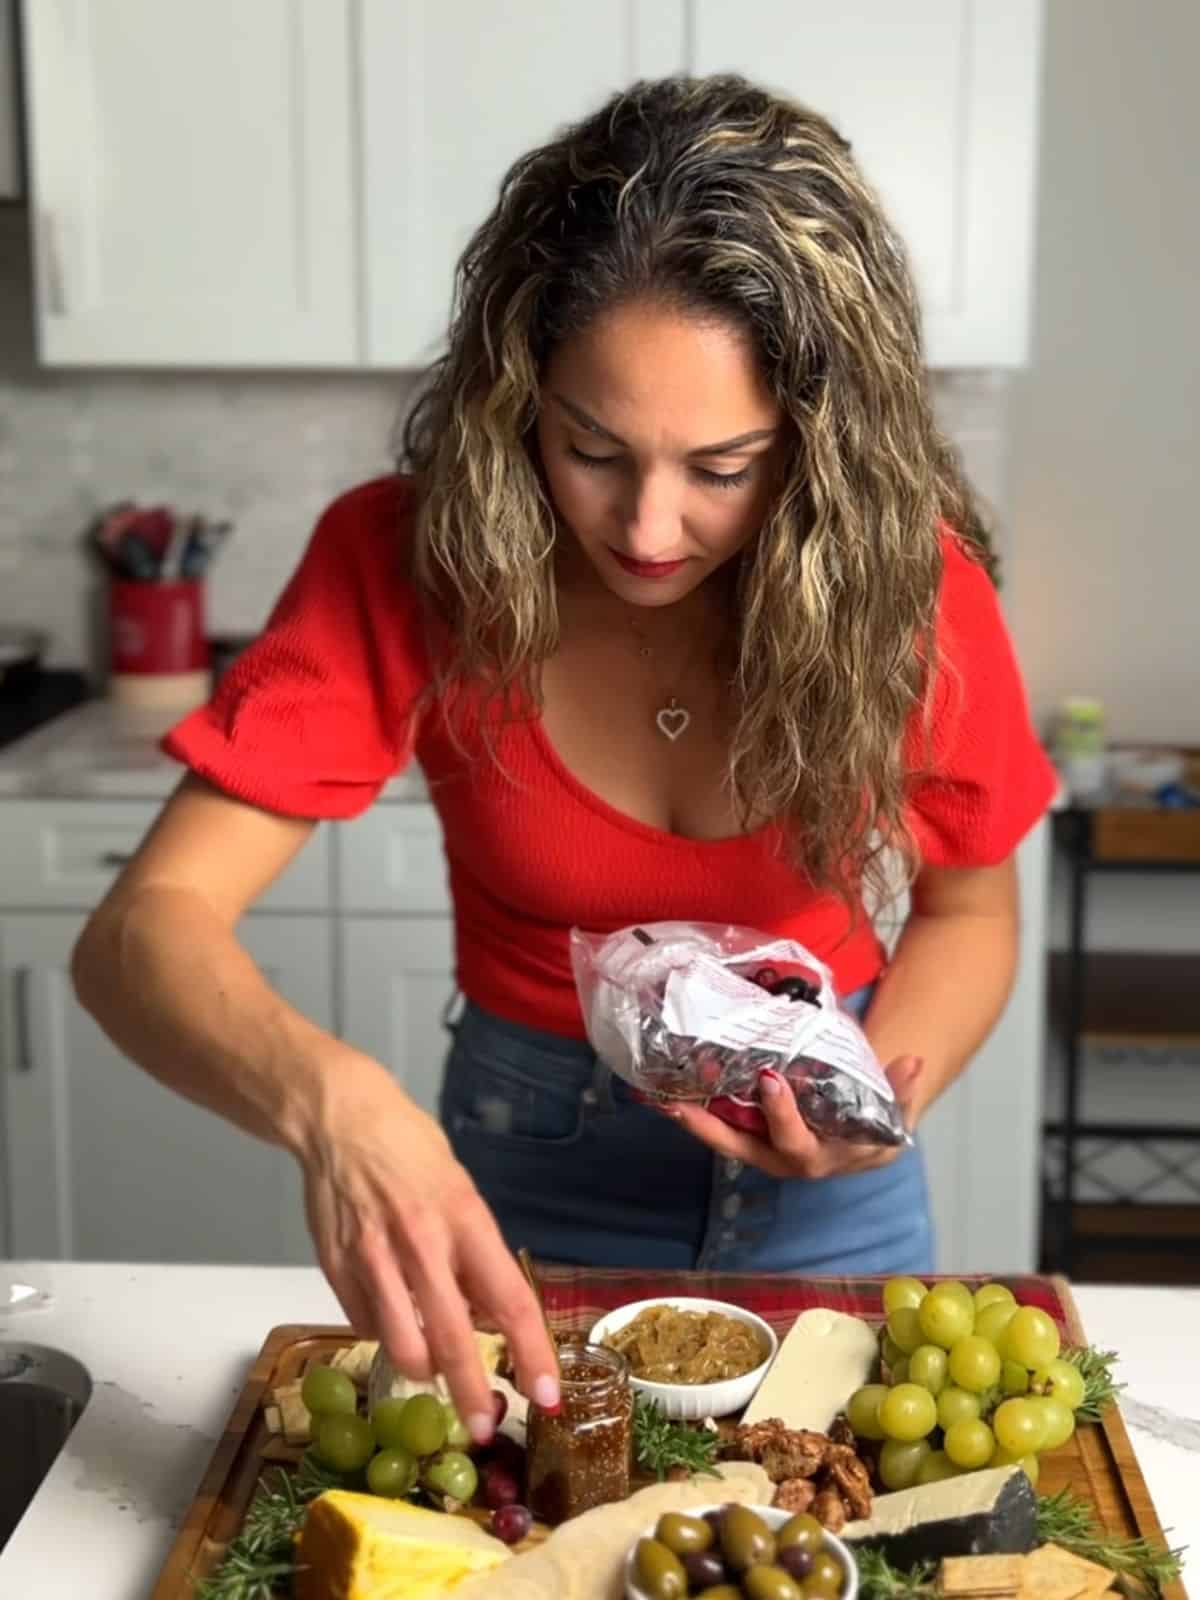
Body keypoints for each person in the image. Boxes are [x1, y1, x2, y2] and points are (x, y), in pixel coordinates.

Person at [73, 75, 1056, 1438]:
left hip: (838, 1187)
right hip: (527, 1165)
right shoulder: (405, 559)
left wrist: (875, 1089)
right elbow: (140, 932)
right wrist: (331, 1103)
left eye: (724, 467)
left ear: (824, 448)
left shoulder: (913, 593)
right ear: (517, 395)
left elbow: (970, 909)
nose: (650, 527)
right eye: (592, 448)